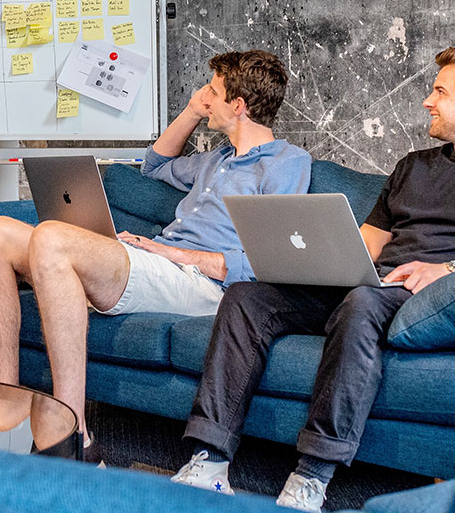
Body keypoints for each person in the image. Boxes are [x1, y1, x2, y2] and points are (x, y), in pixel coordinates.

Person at [0, 49, 311, 458]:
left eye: (213, 92)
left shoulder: (286, 164)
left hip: (202, 284)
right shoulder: (215, 161)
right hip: (158, 266)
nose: (204, 96)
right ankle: (6, 393)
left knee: (52, 238)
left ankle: (74, 432)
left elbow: (268, 261)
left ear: (238, 106)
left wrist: (173, 253)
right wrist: (189, 111)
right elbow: (153, 165)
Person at [176, 47, 455, 512]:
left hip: (423, 295)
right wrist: (320, 262)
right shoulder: (413, 166)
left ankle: (311, 476)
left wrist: (445, 270)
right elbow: (366, 243)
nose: (427, 100)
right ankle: (209, 461)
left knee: (362, 303)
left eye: (441, 92)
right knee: (248, 297)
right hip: (373, 283)